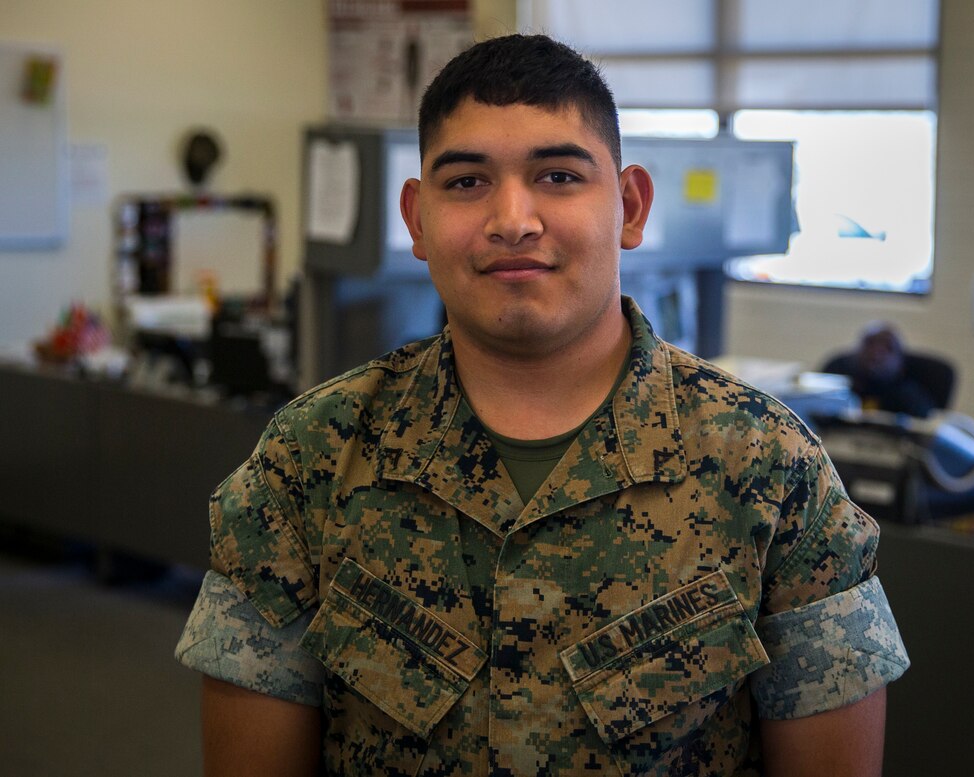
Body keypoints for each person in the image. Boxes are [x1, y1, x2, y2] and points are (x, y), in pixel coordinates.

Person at [176, 33, 909, 776]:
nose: (513, 219)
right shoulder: (312, 456)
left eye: (558, 175)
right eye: (466, 182)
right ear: (417, 219)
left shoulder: (769, 467)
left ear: (629, 206)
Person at [828, 322, 944, 418]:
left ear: (901, 362)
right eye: (870, 343)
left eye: (888, 348)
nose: (876, 353)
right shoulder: (834, 381)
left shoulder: (910, 398)